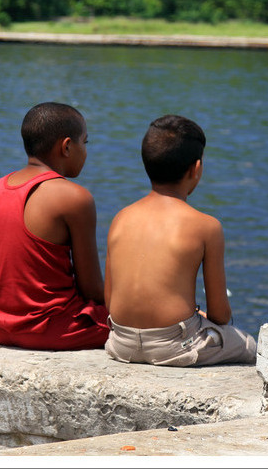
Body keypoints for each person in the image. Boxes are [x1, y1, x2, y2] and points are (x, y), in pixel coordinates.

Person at [104, 114, 257, 366]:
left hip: (120, 343)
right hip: (176, 346)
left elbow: (110, 301)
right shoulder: (206, 226)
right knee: (249, 344)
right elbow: (220, 314)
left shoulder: (121, 218)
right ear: (196, 169)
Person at [0, 102, 109, 350]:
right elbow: (92, 289)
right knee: (143, 322)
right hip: (54, 329)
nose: (86, 151)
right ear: (67, 146)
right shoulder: (74, 197)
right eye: (85, 142)